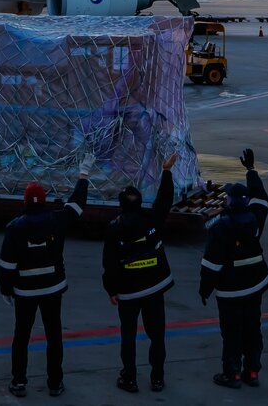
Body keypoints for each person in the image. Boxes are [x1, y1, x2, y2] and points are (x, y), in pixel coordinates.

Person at [0, 155, 93, 398]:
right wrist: (83, 174)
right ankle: (55, 383)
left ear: (25, 202)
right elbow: (77, 205)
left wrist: (5, 289)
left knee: (21, 336)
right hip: (53, 288)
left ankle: (19, 382)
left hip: (25, 291)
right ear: (43, 201)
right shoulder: (56, 220)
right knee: (54, 335)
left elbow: (7, 264)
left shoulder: (15, 227)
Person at [102, 153, 178, 394]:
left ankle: (130, 378)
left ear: (121, 206)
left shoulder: (115, 229)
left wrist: (111, 290)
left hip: (129, 292)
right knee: (157, 335)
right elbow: (165, 200)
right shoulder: (152, 219)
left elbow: (110, 263)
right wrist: (166, 171)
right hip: (155, 287)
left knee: (129, 336)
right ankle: (157, 378)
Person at [199, 148, 268, 389]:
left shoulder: (221, 227)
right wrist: (251, 171)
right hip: (255, 285)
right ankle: (252, 372)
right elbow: (261, 198)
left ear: (229, 201)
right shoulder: (255, 220)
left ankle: (233, 373)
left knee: (231, 333)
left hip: (231, 291)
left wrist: (204, 290)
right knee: (253, 328)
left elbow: (210, 264)